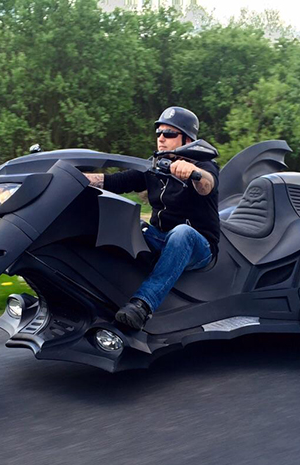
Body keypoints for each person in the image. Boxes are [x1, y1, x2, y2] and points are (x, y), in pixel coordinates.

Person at [84, 106, 220, 330]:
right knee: (126, 224)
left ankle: (142, 306)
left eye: (169, 134)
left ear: (187, 139)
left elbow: (207, 185)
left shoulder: (203, 166)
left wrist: (192, 172)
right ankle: (93, 294)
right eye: (159, 133)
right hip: (161, 238)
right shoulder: (155, 167)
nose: (161, 139)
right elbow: (114, 182)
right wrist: (70, 177)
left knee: (182, 233)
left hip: (200, 246)